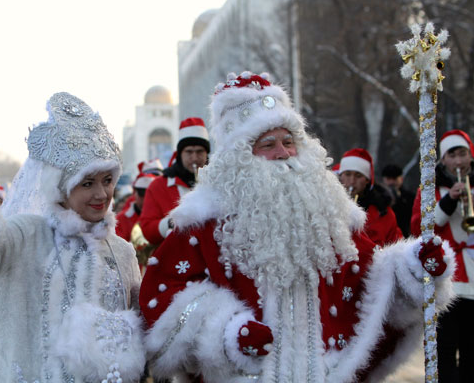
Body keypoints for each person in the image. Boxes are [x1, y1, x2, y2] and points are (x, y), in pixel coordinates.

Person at [139, 72, 455, 383]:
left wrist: (413, 267)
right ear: (240, 157)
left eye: (289, 141)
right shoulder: (205, 223)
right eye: (268, 144)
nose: (284, 153)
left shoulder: (330, 214)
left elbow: (371, 275)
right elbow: (165, 292)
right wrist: (226, 332)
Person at [0, 92, 145, 382]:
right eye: (87, 183)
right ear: (61, 188)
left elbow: (139, 323)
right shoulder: (28, 234)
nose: (102, 194)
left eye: (108, 181)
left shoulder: (121, 251)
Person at [411, 129, 474, 382]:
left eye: (463, 154)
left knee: (472, 352)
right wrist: (448, 201)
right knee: (444, 351)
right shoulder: (429, 190)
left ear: (471, 156)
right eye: (452, 155)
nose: (458, 161)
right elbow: (419, 228)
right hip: (447, 282)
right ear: (443, 160)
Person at [139, 117, 210, 245]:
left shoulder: (221, 182)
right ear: (179, 154)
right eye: (189, 152)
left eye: (200, 152)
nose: (194, 158)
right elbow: (147, 229)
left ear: (207, 154)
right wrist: (174, 221)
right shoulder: (158, 186)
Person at [339, 148, 403, 246]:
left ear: (367, 180)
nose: (352, 181)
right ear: (341, 176)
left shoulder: (382, 212)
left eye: (358, 175)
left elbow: (395, 244)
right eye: (347, 174)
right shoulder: (328, 206)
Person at [382, 164, 415, 238]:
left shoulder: (410, 197)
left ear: (401, 179)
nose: (391, 182)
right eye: (388, 179)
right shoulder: (378, 197)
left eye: (394, 179)